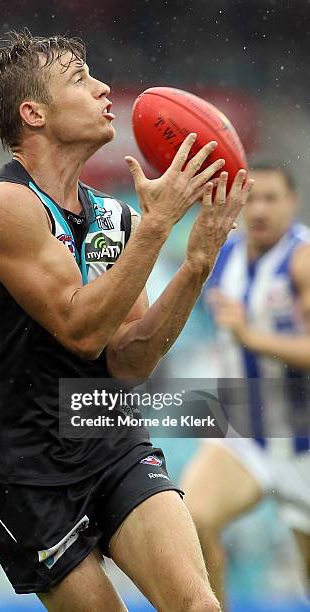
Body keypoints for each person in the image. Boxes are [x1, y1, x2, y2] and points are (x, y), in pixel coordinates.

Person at [0, 30, 251, 611]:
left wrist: (195, 264)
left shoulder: (116, 216)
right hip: (27, 465)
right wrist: (160, 227)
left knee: (200, 605)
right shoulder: (1, 206)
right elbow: (81, 331)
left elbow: (130, 359)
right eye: (80, 79)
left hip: (107, 432)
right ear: (32, 113)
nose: (104, 87)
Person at [182, 162, 310, 609]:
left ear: (292, 203)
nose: (259, 209)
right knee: (191, 520)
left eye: (271, 198)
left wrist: (253, 337)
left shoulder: (303, 259)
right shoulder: (225, 256)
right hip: (247, 432)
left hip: (304, 439)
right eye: (251, 198)